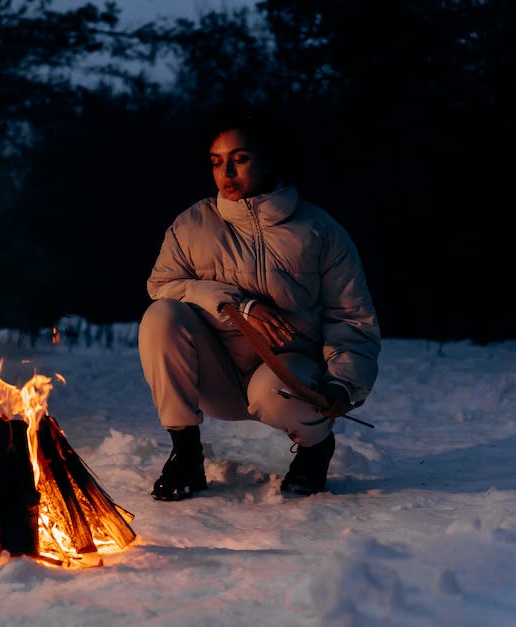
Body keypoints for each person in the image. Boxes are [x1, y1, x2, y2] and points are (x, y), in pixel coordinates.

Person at [137, 104, 381, 500]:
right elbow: (162, 285)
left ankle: (315, 449)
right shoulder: (191, 225)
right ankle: (185, 454)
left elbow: (351, 315)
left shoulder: (318, 230)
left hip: (286, 374)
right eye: (217, 162)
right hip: (217, 372)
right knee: (160, 316)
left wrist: (342, 383)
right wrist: (238, 304)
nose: (226, 174)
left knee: (273, 392)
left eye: (240, 159)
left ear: (268, 160)